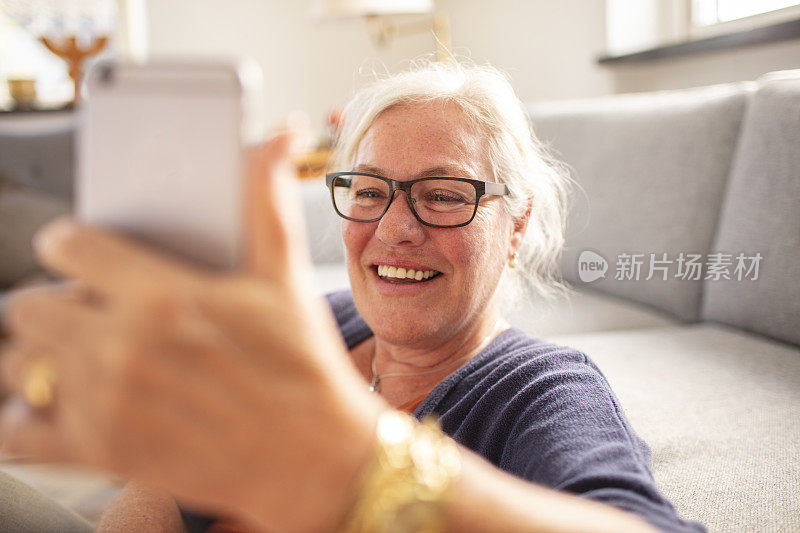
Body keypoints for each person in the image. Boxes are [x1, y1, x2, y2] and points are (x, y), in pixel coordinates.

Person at [0, 61, 704, 532]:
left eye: (441, 195)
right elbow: (165, 487)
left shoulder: (539, 388)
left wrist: (351, 465)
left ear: (514, 224)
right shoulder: (329, 323)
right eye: (369, 191)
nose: (395, 229)